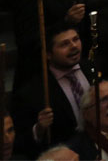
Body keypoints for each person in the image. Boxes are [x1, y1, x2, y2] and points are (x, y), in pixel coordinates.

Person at [11, 26, 92, 158]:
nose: (74, 46)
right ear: (48, 54)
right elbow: (20, 142)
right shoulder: (33, 92)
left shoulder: (92, 68)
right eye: (64, 44)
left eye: (76, 39)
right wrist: (39, 128)